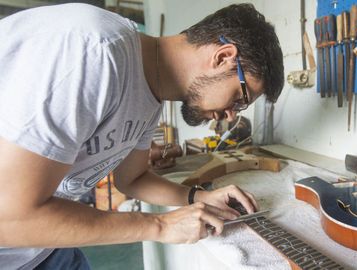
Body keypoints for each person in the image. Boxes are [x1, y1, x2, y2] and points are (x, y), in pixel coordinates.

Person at [0, 2, 284, 270]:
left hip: (43, 249)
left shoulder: (150, 94)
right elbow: (10, 219)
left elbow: (131, 179)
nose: (233, 115)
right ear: (223, 57)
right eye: (240, 98)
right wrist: (161, 225)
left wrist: (198, 196)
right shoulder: (94, 52)